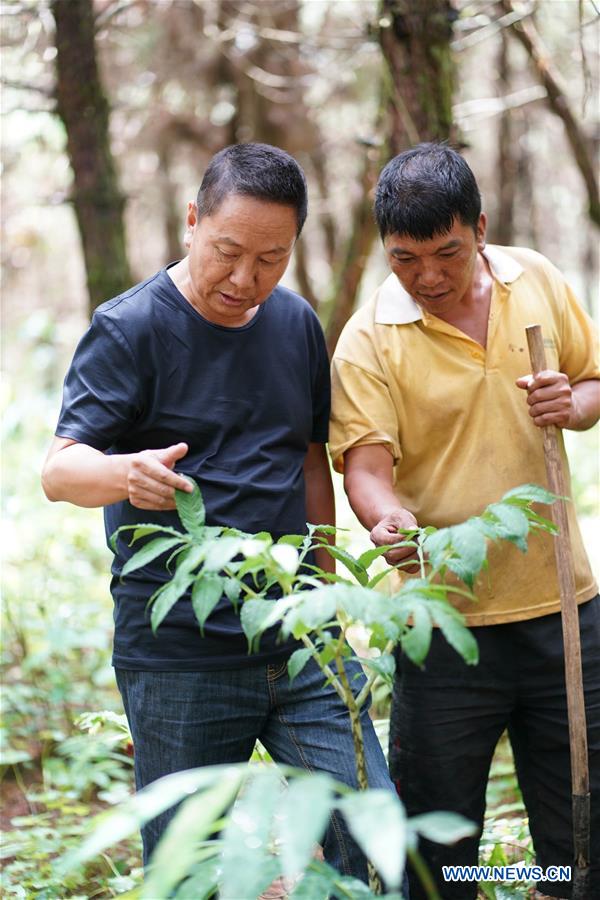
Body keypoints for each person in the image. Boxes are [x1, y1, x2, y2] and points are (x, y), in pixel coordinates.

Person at [41, 143, 395, 887]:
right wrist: (124, 472)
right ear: (192, 221)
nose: (244, 279)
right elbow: (59, 470)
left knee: (373, 840)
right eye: (228, 252)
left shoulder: (296, 324)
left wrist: (324, 596)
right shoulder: (129, 328)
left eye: (271, 258)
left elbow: (309, 462)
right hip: (180, 653)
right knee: (187, 872)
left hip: (301, 639)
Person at [329, 142, 600, 900]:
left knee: (580, 839)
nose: (428, 277)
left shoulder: (535, 278)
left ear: (480, 228)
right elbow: (366, 469)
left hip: (564, 608)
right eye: (405, 259)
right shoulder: (368, 338)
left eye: (446, 252)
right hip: (442, 622)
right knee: (440, 850)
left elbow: (592, 383)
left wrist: (571, 403)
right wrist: (386, 518)